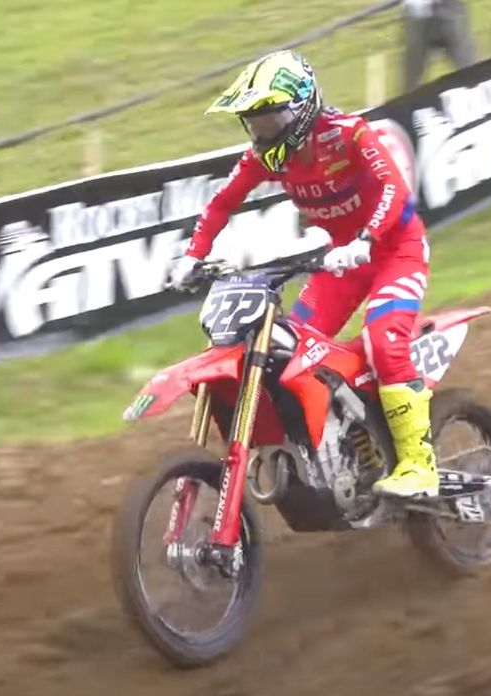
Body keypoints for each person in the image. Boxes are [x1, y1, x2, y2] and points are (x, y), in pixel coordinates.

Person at [167, 50, 438, 499]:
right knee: (288, 351)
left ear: (302, 107)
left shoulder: (349, 134)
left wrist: (367, 238)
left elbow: (394, 189)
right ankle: (341, 448)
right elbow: (221, 204)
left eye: (269, 119)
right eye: (254, 123)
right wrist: (191, 256)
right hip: (342, 262)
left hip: (395, 250)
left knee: (383, 339)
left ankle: (419, 464)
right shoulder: (268, 158)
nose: (262, 131)